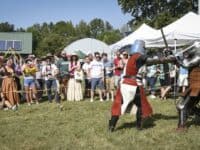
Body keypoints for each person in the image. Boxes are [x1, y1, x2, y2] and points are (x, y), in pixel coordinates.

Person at [109, 40, 153, 132]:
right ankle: (138, 126)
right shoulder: (137, 56)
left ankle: (111, 126)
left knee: (119, 106)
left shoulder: (131, 58)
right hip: (133, 85)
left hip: (125, 84)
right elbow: (149, 60)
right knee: (141, 106)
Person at [175, 43, 200, 130]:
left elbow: (185, 64)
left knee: (182, 106)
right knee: (189, 107)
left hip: (197, 86)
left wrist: (177, 58)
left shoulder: (198, 56)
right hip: (194, 86)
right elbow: (184, 62)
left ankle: (181, 127)